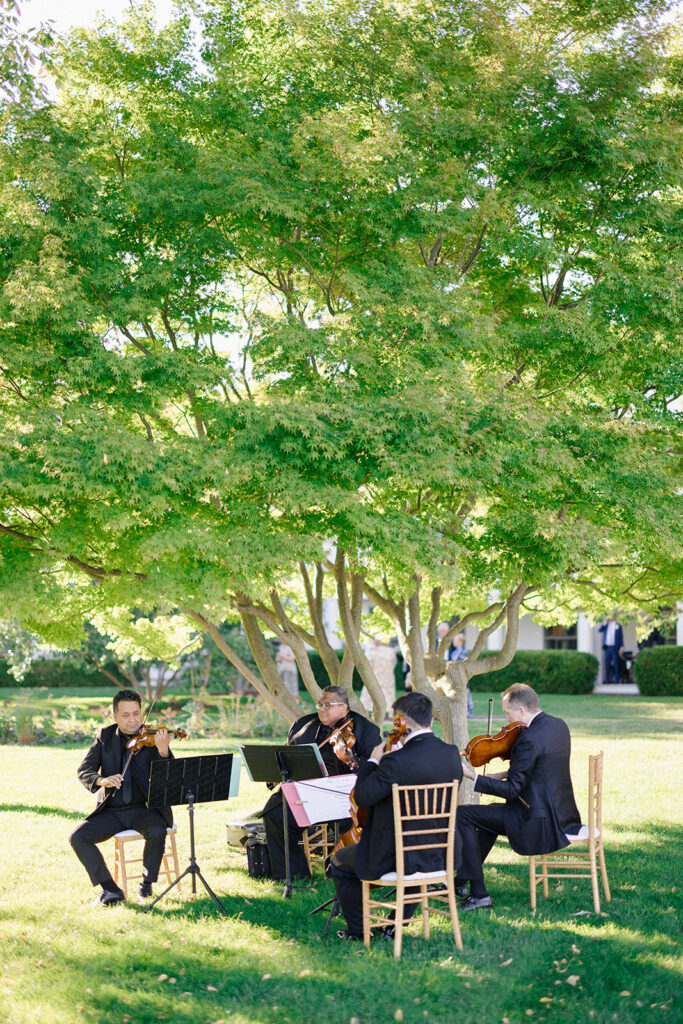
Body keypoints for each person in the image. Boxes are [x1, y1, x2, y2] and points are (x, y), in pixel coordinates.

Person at [330, 692, 463, 939]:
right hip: (441, 854)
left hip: (398, 856)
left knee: (340, 861)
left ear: (401, 721)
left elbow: (362, 798)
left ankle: (361, 932)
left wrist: (373, 762)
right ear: (430, 721)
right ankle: (393, 925)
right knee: (412, 859)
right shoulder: (451, 754)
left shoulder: (395, 762)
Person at [455, 683, 581, 910]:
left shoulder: (528, 739)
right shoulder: (558, 726)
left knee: (462, 814)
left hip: (534, 819)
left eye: (507, 712)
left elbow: (513, 790)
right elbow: (542, 768)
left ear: (521, 710)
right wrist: (503, 773)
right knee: (486, 819)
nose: (506, 719)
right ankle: (461, 882)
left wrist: (471, 776)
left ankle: (479, 895)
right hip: (559, 813)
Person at [261, 686, 381, 881]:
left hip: (343, 794)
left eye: (328, 705)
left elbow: (375, 767)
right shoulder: (302, 725)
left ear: (344, 707)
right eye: (320, 705)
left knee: (356, 819)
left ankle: (342, 867)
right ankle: (292, 874)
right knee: (274, 812)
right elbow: (287, 755)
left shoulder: (366, 730)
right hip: (307, 789)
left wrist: (352, 759)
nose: (322, 709)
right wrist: (276, 772)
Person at [70, 689, 174, 906]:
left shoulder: (153, 738)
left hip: (143, 809)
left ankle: (146, 885)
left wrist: (163, 752)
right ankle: (111, 889)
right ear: (115, 715)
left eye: (136, 713)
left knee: (157, 830)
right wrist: (102, 781)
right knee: (77, 837)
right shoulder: (105, 737)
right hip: (112, 810)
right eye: (125, 715)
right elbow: (84, 770)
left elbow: (168, 779)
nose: (133, 720)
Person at [448, 632, 475, 718]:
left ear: (460, 641)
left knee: (465, 692)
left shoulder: (461, 651)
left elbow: (454, 661)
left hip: (461, 676)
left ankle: (469, 711)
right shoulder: (457, 650)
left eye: (455, 640)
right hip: (458, 675)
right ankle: (465, 711)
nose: (453, 641)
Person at [598, 614, 624, 684]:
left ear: (615, 617)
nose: (611, 617)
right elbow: (599, 630)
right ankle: (608, 679)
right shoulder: (606, 625)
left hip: (615, 647)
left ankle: (616, 679)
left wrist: (621, 647)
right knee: (607, 664)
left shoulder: (618, 626)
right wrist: (604, 623)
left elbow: (621, 638)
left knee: (615, 663)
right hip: (607, 647)